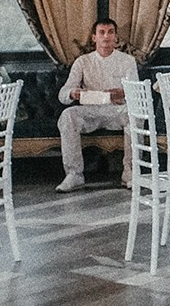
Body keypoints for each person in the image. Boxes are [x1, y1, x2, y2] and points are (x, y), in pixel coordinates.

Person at [56, 17, 139, 192]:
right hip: (91, 111)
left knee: (135, 114)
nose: (106, 37)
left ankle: (129, 171)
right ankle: (74, 175)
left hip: (117, 110)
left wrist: (124, 93)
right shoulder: (83, 62)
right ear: (94, 37)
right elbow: (63, 95)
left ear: (116, 37)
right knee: (68, 115)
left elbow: (137, 94)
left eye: (110, 32)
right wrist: (74, 93)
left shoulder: (127, 61)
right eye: (102, 32)